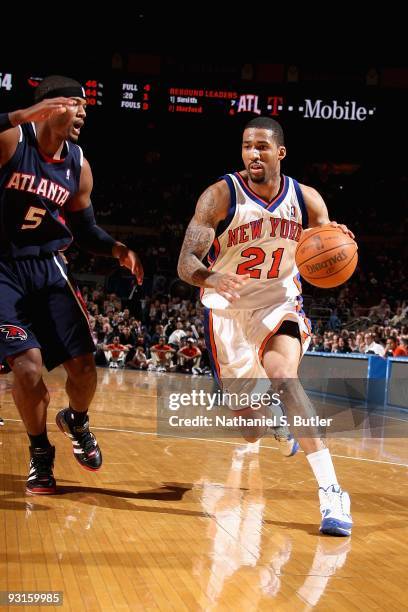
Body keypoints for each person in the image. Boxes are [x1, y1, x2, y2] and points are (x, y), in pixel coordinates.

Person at [178, 116, 353, 536]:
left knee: (283, 374)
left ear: (280, 152)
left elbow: (328, 241)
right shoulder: (219, 196)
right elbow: (186, 264)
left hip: (279, 299)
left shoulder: (306, 199)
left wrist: (340, 237)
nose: (253, 154)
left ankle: (332, 492)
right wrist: (211, 277)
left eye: (261, 146)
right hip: (227, 309)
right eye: (246, 147)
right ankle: (273, 418)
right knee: (247, 425)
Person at [0, 75, 143, 495]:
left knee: (83, 368)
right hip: (3, 269)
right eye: (74, 104)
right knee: (25, 366)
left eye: (85, 107)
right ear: (47, 107)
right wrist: (18, 115)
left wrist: (118, 249)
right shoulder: (12, 140)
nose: (82, 113)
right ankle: (40, 453)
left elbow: (86, 228)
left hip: (48, 267)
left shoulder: (78, 165)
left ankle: (76, 420)